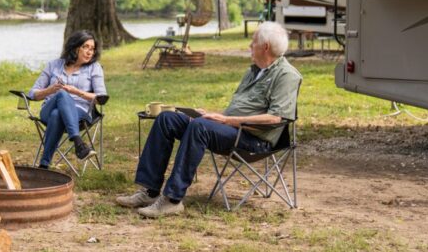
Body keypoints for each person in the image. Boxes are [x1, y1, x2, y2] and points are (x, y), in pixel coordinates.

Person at [116, 22, 300, 218]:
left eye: (253, 42)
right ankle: (150, 192)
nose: (249, 45)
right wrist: (212, 115)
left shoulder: (287, 75)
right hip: (232, 129)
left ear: (265, 47)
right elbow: (239, 109)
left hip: (254, 141)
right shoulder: (254, 70)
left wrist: (226, 121)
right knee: (167, 119)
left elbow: (275, 118)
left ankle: (172, 200)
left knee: (199, 127)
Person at [28, 30, 107, 168]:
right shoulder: (54, 65)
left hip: (80, 113)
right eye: (85, 47)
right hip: (48, 108)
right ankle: (78, 142)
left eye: (92, 49)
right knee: (61, 95)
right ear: (75, 47)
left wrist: (77, 92)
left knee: (57, 114)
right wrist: (51, 90)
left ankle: (44, 165)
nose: (90, 52)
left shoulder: (94, 68)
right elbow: (32, 94)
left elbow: (101, 98)